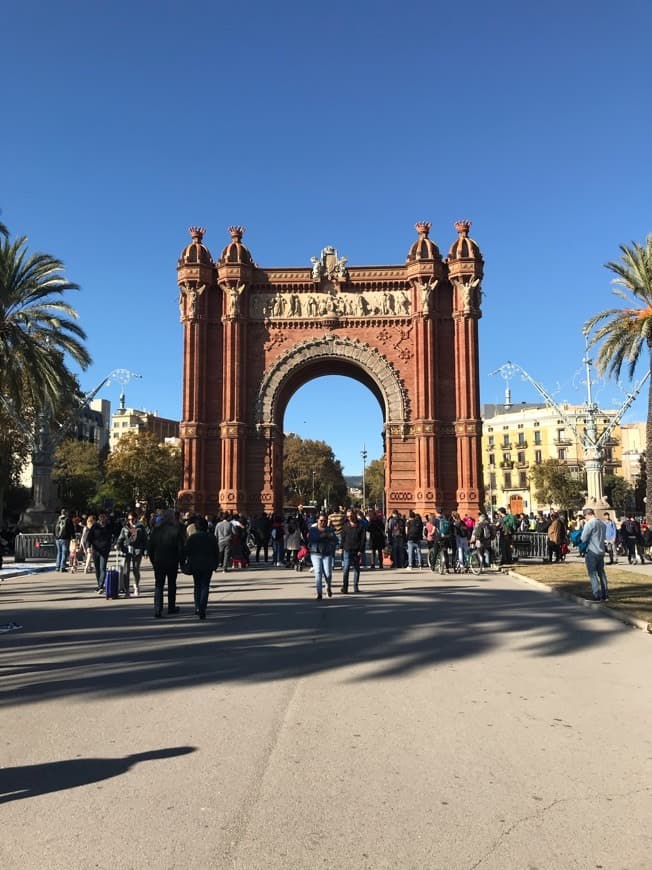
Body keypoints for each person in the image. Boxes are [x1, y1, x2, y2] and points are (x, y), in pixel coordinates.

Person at [148, 509, 185, 617]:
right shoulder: (176, 530)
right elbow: (181, 548)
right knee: (171, 584)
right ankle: (171, 607)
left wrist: (152, 560)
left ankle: (158, 609)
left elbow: (150, 547)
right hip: (172, 561)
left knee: (159, 585)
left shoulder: (156, 530)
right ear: (172, 518)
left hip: (159, 561)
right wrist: (182, 562)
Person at [183, 517, 220, 618]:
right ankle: (202, 608)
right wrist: (216, 564)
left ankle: (197, 607)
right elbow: (216, 552)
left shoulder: (192, 538)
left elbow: (186, 551)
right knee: (205, 586)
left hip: (195, 564)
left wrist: (184, 563)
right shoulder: (211, 537)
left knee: (197, 586)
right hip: (208, 565)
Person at [580, 507, 608, 602]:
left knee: (592, 574)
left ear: (587, 514)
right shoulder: (602, 523)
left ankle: (596, 594)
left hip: (592, 550)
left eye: (585, 516)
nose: (585, 518)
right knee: (601, 573)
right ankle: (605, 594)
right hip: (601, 550)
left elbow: (583, 538)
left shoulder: (590, 523)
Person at [307, 513, 337, 599]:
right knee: (318, 572)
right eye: (321, 520)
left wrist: (332, 540)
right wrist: (321, 536)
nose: (323, 522)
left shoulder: (330, 529)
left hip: (327, 553)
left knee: (328, 573)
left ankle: (328, 588)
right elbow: (311, 539)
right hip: (315, 553)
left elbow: (336, 540)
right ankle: (319, 593)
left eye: (324, 521)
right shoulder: (313, 529)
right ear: (317, 520)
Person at [340, 508, 366, 593]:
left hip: (356, 550)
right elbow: (343, 537)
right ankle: (345, 587)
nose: (349, 517)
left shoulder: (360, 526)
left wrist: (361, 550)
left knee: (356, 569)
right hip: (347, 549)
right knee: (346, 568)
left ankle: (355, 585)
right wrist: (341, 547)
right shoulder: (345, 525)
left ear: (354, 515)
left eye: (351, 516)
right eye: (348, 516)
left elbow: (363, 539)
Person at [86, 513, 113, 593]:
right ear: (99, 519)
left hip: (104, 550)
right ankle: (99, 585)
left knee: (102, 568)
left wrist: (110, 545)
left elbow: (111, 537)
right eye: (101, 519)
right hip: (96, 550)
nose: (102, 520)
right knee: (97, 568)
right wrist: (88, 547)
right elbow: (89, 538)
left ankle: (101, 585)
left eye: (104, 519)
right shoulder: (95, 527)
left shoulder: (108, 527)